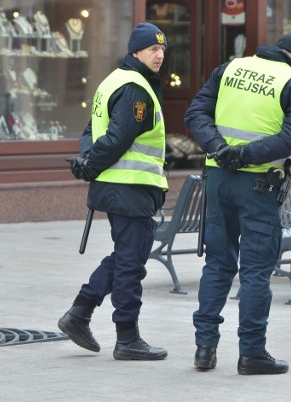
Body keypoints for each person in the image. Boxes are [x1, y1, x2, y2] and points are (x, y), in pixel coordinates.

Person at [184, 34, 291, 375]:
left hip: (219, 180)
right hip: (259, 185)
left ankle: (204, 349)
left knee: (217, 263)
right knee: (255, 271)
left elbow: (196, 112)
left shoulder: (229, 68)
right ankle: (252, 353)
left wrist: (220, 149)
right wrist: (245, 156)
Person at [58, 22, 169, 361]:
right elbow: (118, 138)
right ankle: (127, 338)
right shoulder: (136, 88)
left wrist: (88, 161)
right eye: (153, 49)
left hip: (118, 186)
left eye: (163, 50)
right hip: (129, 187)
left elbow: (91, 132)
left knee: (126, 256)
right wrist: (90, 166)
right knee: (131, 264)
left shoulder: (112, 81)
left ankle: (79, 313)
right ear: (135, 51)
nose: (160, 55)